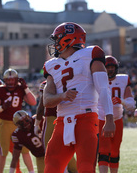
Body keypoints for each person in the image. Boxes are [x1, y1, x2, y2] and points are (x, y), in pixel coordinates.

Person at [43, 22, 116, 172]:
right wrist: (62, 96)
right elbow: (47, 100)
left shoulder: (90, 54)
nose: (55, 44)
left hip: (86, 118)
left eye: (57, 39)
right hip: (62, 122)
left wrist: (109, 118)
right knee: (51, 167)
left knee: (86, 167)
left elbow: (103, 89)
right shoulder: (51, 65)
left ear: (68, 39)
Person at [0, 68, 37, 173]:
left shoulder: (20, 89)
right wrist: (2, 107)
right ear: (4, 80)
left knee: (25, 150)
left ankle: (32, 172)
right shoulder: (0, 89)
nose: (11, 82)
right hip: (4, 123)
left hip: (19, 124)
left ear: (16, 80)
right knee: (3, 152)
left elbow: (33, 102)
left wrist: (26, 88)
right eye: (8, 80)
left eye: (12, 80)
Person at [97, 55, 135, 173]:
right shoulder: (96, 80)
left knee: (115, 151)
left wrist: (121, 101)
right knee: (103, 150)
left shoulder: (123, 80)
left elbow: (131, 105)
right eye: (107, 67)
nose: (110, 69)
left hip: (117, 119)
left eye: (112, 67)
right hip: (101, 119)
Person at [34, 80, 77, 173]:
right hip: (69, 119)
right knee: (68, 151)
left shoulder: (46, 84)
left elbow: (41, 107)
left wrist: (36, 124)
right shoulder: (70, 81)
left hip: (52, 119)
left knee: (50, 152)